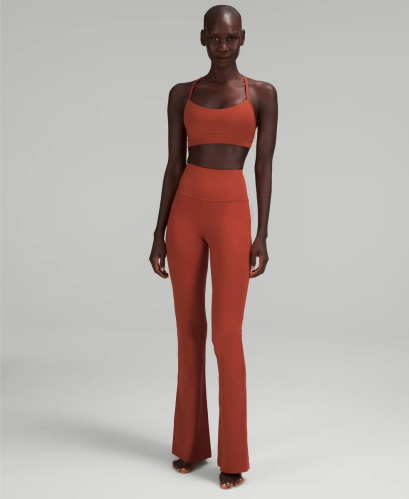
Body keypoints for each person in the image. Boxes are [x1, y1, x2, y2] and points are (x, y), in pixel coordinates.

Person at [149, 4, 278, 489]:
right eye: (215, 38)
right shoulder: (181, 94)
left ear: (243, 38)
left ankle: (233, 457)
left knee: (226, 334)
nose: (223, 47)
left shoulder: (261, 94)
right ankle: (189, 446)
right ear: (202, 38)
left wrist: (262, 233)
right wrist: (158, 232)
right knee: (188, 331)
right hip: (185, 213)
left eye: (231, 38)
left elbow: (263, 166)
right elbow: (173, 165)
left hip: (231, 215)